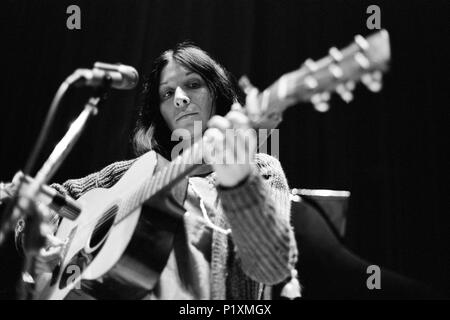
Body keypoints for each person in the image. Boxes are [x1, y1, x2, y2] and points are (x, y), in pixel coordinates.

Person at [0, 43, 298, 300]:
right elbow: (51, 198)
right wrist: (38, 236)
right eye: (167, 94)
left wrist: (239, 182)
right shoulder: (132, 173)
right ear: (161, 113)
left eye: (193, 84)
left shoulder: (259, 168)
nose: (180, 98)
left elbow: (271, 267)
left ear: (216, 94)